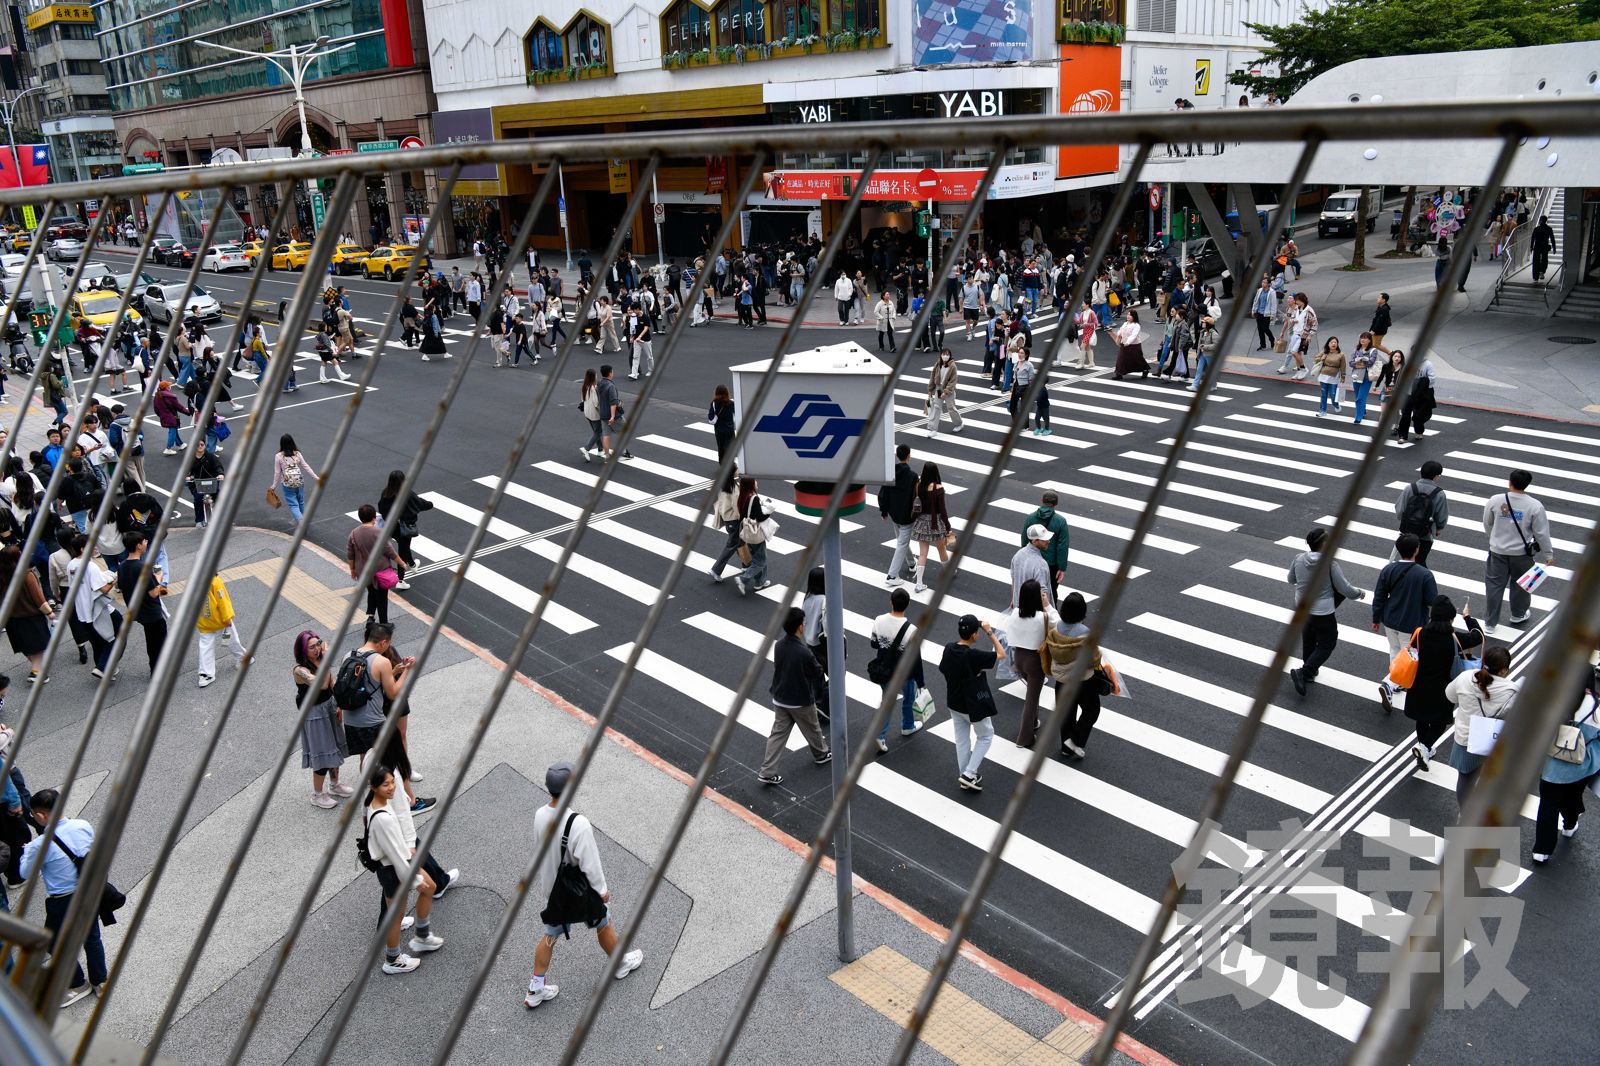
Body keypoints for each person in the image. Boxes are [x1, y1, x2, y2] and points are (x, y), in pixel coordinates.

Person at [525, 762, 644, 1007]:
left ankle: (535, 989)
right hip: (580, 893)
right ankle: (620, 964)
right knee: (603, 922)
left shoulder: (539, 815)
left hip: (555, 893)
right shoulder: (578, 824)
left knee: (550, 935)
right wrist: (602, 892)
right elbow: (590, 864)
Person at [20, 789, 109, 1006]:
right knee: (92, 938)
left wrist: (26, 851)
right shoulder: (82, 825)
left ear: (40, 815)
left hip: (63, 899)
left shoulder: (40, 845)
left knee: (54, 943)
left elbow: (24, 873)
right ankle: (100, 982)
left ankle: (78, 984)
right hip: (89, 891)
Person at [362, 766, 442, 975]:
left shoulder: (376, 803)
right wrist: (414, 879)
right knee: (395, 915)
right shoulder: (383, 818)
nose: (391, 787)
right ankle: (393, 959)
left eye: (392, 782)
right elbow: (395, 856)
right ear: (374, 787)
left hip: (399, 864)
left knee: (430, 887)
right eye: (385, 784)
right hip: (393, 869)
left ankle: (422, 936)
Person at [1531, 656, 1600, 863]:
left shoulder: (1555, 699)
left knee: (1548, 804)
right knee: (1572, 796)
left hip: (1552, 764)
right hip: (1581, 764)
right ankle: (1569, 825)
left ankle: (1542, 850)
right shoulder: (1595, 706)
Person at [1405, 595, 1483, 773]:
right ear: (1450, 618)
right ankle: (1425, 747)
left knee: (1422, 718)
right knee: (1439, 722)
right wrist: (1468, 618)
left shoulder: (1420, 633)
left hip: (1419, 684)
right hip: (1444, 688)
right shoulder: (1455, 639)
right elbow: (1478, 636)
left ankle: (1425, 749)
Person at [1286, 528, 1365, 696]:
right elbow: (1345, 589)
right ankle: (1304, 672)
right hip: (1322, 611)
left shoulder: (1298, 558)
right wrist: (1359, 593)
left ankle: (1309, 672)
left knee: (1309, 637)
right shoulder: (1329, 564)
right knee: (1328, 642)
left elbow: (1291, 579)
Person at [757, 607, 831, 786]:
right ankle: (821, 753)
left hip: (780, 697)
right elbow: (817, 672)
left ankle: (767, 771)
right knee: (813, 728)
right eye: (803, 623)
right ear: (800, 627)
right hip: (800, 700)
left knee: (777, 735)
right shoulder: (804, 652)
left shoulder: (779, 645)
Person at [1481, 469, 1554, 634]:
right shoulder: (1535, 506)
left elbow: (1487, 523)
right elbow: (1541, 533)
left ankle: (1490, 623)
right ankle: (1518, 615)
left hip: (1497, 552)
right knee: (1521, 585)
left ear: (1510, 482)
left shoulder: (1495, 500)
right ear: (1527, 485)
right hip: (1522, 554)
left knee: (1494, 586)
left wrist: (1494, 539)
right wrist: (1548, 554)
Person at [1443, 645, 1518, 808]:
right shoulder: (1511, 690)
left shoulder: (1465, 677)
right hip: (1495, 741)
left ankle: (1465, 813)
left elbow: (1450, 695)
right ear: (1503, 670)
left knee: (1465, 779)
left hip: (1467, 738)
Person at [1373, 533, 1440, 713]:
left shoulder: (1388, 570)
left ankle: (1396, 682)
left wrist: (1375, 618)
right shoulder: (1425, 574)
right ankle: (1390, 683)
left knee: (1395, 651)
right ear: (1417, 550)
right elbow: (1431, 600)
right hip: (1411, 623)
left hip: (1390, 619)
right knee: (1410, 657)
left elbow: (1379, 596)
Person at [939, 615, 1005, 791]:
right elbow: (1001, 654)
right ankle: (969, 773)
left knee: (962, 740)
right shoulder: (973, 655)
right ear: (975, 635)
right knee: (986, 736)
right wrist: (990, 632)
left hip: (954, 701)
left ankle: (965, 776)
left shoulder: (949, 648)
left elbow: (944, 669)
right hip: (972, 705)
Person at [293, 630, 350, 807]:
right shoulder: (300, 670)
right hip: (314, 714)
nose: (317, 649)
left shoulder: (320, 661)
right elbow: (322, 684)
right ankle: (317, 795)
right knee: (322, 752)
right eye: (312, 647)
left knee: (335, 748)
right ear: (303, 649)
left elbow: (332, 684)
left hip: (329, 707)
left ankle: (334, 785)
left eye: (318, 644)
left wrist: (339, 704)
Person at [1043, 592, 1102, 758]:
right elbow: (1094, 659)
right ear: (1082, 612)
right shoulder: (1085, 633)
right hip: (1082, 680)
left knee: (1066, 713)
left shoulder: (1056, 629)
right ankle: (1075, 740)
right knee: (1092, 710)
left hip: (1061, 679)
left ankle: (1065, 747)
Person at [869, 587, 924, 754]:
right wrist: (921, 682)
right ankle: (908, 725)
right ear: (907, 605)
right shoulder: (912, 630)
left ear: (891, 602)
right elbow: (916, 659)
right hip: (904, 673)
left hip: (884, 670)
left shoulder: (879, 620)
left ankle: (880, 735)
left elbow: (874, 644)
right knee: (909, 698)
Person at [1010, 579, 1061, 749]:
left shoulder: (1015, 613)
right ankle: (1024, 738)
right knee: (1031, 699)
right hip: (1035, 661)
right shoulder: (1043, 617)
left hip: (1018, 658)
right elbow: (1059, 624)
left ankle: (1034, 722)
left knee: (1033, 693)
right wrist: (1048, 605)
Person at [67, 534, 121, 679]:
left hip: (82, 611)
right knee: (115, 634)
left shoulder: (71, 565)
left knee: (97, 642)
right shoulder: (90, 566)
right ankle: (102, 667)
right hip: (97, 609)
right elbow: (103, 589)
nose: (95, 547)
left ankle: (104, 669)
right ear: (83, 549)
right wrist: (114, 580)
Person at [115, 531, 169, 672]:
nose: (146, 543)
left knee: (151, 641)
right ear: (138, 546)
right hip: (152, 612)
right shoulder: (143, 567)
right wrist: (159, 578)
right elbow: (153, 593)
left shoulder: (122, 566)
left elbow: (122, 587)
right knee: (159, 641)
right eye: (144, 541)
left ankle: (154, 667)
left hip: (138, 611)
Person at [0, 547, 53, 682]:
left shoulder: (2, 576)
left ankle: (38, 671)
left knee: (26, 647)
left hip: (11, 619)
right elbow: (38, 597)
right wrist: (49, 612)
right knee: (38, 647)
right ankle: (36, 672)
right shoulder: (26, 574)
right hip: (31, 617)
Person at [347, 504, 404, 625]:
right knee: (382, 597)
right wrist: (402, 563)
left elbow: (350, 555)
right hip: (380, 571)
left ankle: (371, 617)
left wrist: (352, 569)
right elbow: (390, 552)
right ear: (374, 517)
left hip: (363, 571)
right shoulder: (379, 533)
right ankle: (384, 624)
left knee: (372, 591)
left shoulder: (353, 534)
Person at [378, 469, 432, 588]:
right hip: (404, 526)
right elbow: (420, 503)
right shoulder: (407, 494)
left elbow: (381, 508)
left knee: (404, 546)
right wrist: (430, 504)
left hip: (391, 526)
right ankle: (400, 580)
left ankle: (412, 565)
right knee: (403, 550)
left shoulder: (385, 493)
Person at [1019, 492, 1069, 604]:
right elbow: (1062, 546)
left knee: (1031, 589)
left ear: (1042, 500)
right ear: (1056, 504)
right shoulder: (1060, 521)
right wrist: (1062, 568)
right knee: (1050, 591)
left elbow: (1024, 539)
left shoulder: (1031, 518)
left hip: (1031, 560)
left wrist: (1024, 557)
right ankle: (1049, 611)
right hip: (1051, 565)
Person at [1395, 460, 1448, 566]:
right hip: (1425, 534)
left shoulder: (1410, 488)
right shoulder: (1439, 493)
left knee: (1407, 560)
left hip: (1407, 533)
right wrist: (1439, 528)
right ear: (1436, 476)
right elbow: (1441, 515)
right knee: (1420, 561)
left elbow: (1399, 509)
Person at [909, 461, 951, 594]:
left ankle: (919, 583)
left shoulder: (919, 486)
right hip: (935, 523)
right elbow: (942, 510)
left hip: (921, 522)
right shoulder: (939, 488)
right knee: (941, 549)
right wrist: (948, 526)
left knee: (922, 553)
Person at [879, 444, 916, 587]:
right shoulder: (912, 476)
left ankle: (911, 563)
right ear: (909, 456)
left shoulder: (891, 474)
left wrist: (884, 511)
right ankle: (892, 575)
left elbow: (883, 493)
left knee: (902, 540)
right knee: (902, 543)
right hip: (907, 515)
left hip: (894, 514)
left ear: (897, 456)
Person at [734, 477, 772, 596]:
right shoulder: (754, 498)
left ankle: (760, 582)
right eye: (754, 481)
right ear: (751, 484)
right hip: (755, 532)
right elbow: (760, 517)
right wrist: (769, 512)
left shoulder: (742, 496)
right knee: (760, 561)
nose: (757, 483)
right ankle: (743, 579)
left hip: (747, 531)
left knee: (758, 557)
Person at [1395, 354, 1436, 442]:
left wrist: (1420, 384)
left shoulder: (1428, 364)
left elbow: (1432, 379)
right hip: (1408, 393)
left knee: (1419, 416)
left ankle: (1419, 431)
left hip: (1421, 395)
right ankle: (1402, 436)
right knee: (1405, 414)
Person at [924, 348, 963, 438]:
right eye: (943, 354)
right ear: (941, 355)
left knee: (951, 408)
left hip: (949, 391)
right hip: (938, 389)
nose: (945, 356)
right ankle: (933, 429)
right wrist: (930, 390)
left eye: (947, 354)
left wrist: (945, 392)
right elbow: (932, 376)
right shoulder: (938, 364)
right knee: (936, 408)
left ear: (950, 356)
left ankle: (959, 424)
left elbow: (953, 381)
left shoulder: (953, 366)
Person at [1348, 333, 1380, 426]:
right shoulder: (1356, 349)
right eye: (1361, 338)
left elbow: (1371, 362)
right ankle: (1363, 410)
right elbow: (1351, 363)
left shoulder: (1373, 350)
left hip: (1367, 377)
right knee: (1357, 396)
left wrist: (1359, 362)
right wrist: (1360, 363)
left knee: (1360, 398)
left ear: (1369, 340)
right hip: (1356, 376)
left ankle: (1358, 417)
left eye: (1365, 338)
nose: (1362, 339)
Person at [1312, 336, 1347, 417]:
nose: (1333, 344)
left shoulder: (1341, 354)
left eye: (1335, 342)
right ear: (1328, 344)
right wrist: (1321, 359)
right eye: (1331, 342)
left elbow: (1343, 366)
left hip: (1334, 376)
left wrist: (1343, 376)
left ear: (1337, 344)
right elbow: (1316, 359)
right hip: (1323, 375)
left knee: (1333, 394)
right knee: (1323, 394)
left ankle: (1336, 405)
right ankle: (1322, 411)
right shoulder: (1324, 352)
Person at [1112, 309, 1149, 380]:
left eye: (1130, 315)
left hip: (1134, 345)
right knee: (1121, 358)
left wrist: (1128, 342)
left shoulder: (1136, 325)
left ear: (1134, 316)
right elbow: (1120, 330)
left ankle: (1145, 369)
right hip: (1124, 344)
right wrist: (1119, 334)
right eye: (1128, 314)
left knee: (1138, 359)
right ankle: (1119, 374)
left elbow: (1134, 335)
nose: (1128, 316)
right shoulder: (1125, 323)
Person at [708, 384, 735, 463]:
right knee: (729, 448)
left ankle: (722, 464)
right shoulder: (731, 403)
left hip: (719, 430)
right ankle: (731, 465)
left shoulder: (714, 403)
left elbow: (711, 418)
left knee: (721, 447)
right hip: (729, 429)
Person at [1251, 274, 1278, 350]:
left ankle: (1272, 340)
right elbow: (1256, 301)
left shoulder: (1272, 292)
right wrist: (1253, 311)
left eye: (1265, 282)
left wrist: (1273, 315)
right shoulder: (1260, 290)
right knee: (1260, 329)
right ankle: (1263, 345)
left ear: (1268, 284)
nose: (1263, 284)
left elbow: (1274, 304)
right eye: (1262, 282)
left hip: (1267, 314)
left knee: (1265, 328)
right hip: (1259, 312)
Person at [1530, 214, 1556, 282]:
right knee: (1544, 260)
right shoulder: (1549, 229)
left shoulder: (1536, 229)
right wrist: (1554, 247)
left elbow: (1533, 238)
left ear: (1540, 221)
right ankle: (1542, 271)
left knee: (1536, 261)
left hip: (1537, 247)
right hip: (1545, 247)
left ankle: (1535, 277)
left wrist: (1531, 247)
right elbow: (1552, 238)